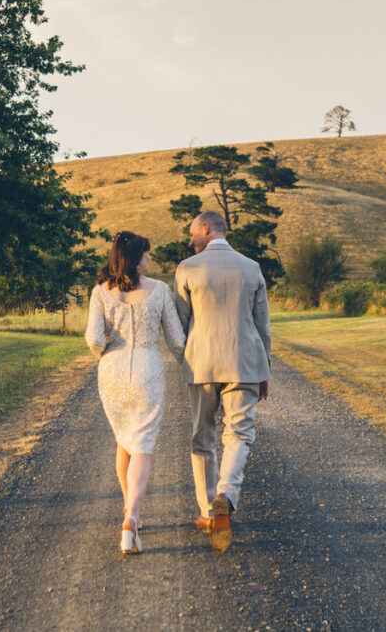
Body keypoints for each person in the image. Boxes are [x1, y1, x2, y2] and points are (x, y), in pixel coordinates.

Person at [173, 211, 271, 552]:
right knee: (240, 434)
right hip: (244, 363)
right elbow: (263, 326)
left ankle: (206, 512)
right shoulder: (252, 267)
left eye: (192, 234)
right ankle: (226, 495)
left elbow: (180, 325)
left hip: (200, 365)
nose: (190, 241)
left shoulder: (187, 268)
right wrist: (264, 370)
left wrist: (183, 359)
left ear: (205, 228)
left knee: (203, 437)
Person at [85, 230, 187, 554]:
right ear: (135, 257)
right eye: (147, 253)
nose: (150, 259)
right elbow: (177, 340)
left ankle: (130, 511)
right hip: (148, 371)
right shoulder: (159, 290)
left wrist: (106, 349)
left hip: (112, 372)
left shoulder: (100, 292)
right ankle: (132, 516)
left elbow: (93, 339)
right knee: (142, 444)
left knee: (124, 441)